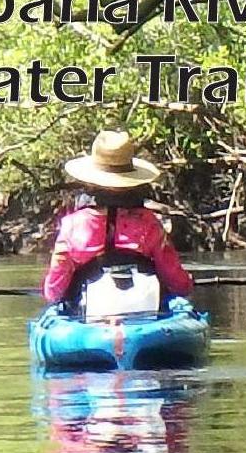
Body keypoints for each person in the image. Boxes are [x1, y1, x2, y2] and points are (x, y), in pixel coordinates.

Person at [42, 130, 193, 317]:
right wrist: (186, 284)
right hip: (144, 309)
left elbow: (54, 289)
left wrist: (52, 296)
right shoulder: (149, 223)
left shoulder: (73, 225)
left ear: (92, 183)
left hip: (90, 314)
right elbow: (177, 281)